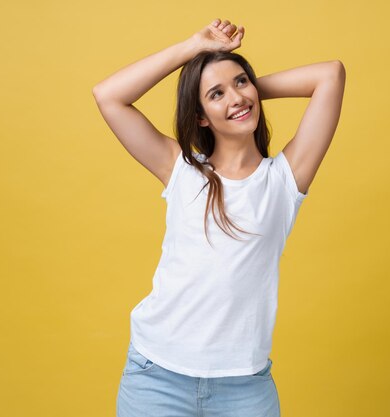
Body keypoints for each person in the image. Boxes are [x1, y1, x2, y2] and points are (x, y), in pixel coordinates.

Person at [93, 17, 345, 417]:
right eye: (216, 94)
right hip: (156, 377)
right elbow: (108, 96)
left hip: (244, 388)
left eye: (241, 83)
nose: (236, 98)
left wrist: (243, 91)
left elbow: (330, 76)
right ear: (200, 117)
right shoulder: (181, 169)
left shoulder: (283, 180)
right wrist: (193, 47)